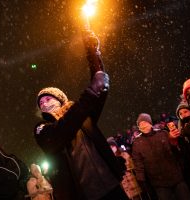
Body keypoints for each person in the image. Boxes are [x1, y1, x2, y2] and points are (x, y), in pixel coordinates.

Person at [33, 30, 127, 200]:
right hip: (83, 195)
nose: (45, 103)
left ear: (60, 100)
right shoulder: (42, 128)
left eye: (48, 98)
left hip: (111, 185)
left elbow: (98, 92)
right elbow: (59, 134)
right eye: (41, 103)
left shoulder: (81, 115)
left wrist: (93, 54)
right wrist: (91, 91)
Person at [132, 113, 190, 200]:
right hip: (159, 184)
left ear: (150, 123)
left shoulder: (162, 133)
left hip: (176, 177)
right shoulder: (137, 143)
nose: (142, 126)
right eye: (140, 124)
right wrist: (141, 181)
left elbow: (175, 151)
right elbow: (138, 163)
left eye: (144, 122)